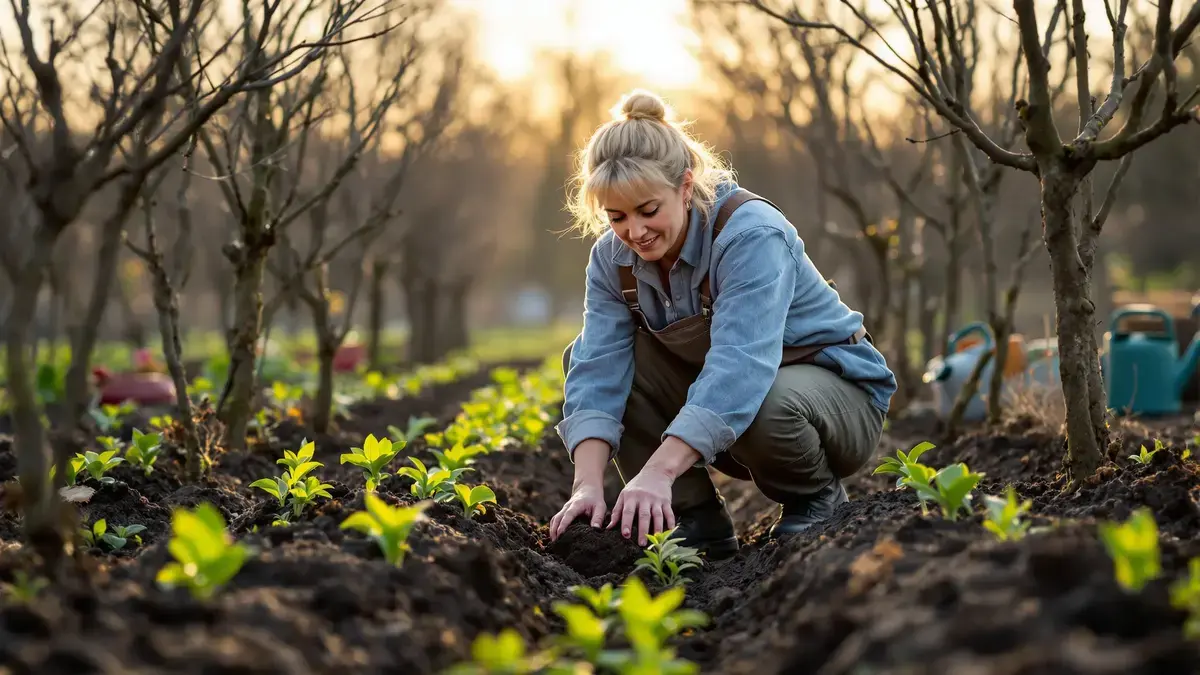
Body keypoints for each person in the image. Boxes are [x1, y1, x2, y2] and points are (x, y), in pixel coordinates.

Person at [547, 89, 896, 560]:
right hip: (736, 414)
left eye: (649, 210)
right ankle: (694, 521)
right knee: (584, 354)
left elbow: (740, 368)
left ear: (685, 187)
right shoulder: (612, 259)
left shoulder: (750, 235)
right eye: (617, 217)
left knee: (766, 400)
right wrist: (586, 484)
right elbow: (597, 367)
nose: (635, 231)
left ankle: (815, 499)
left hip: (835, 405)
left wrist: (658, 472)